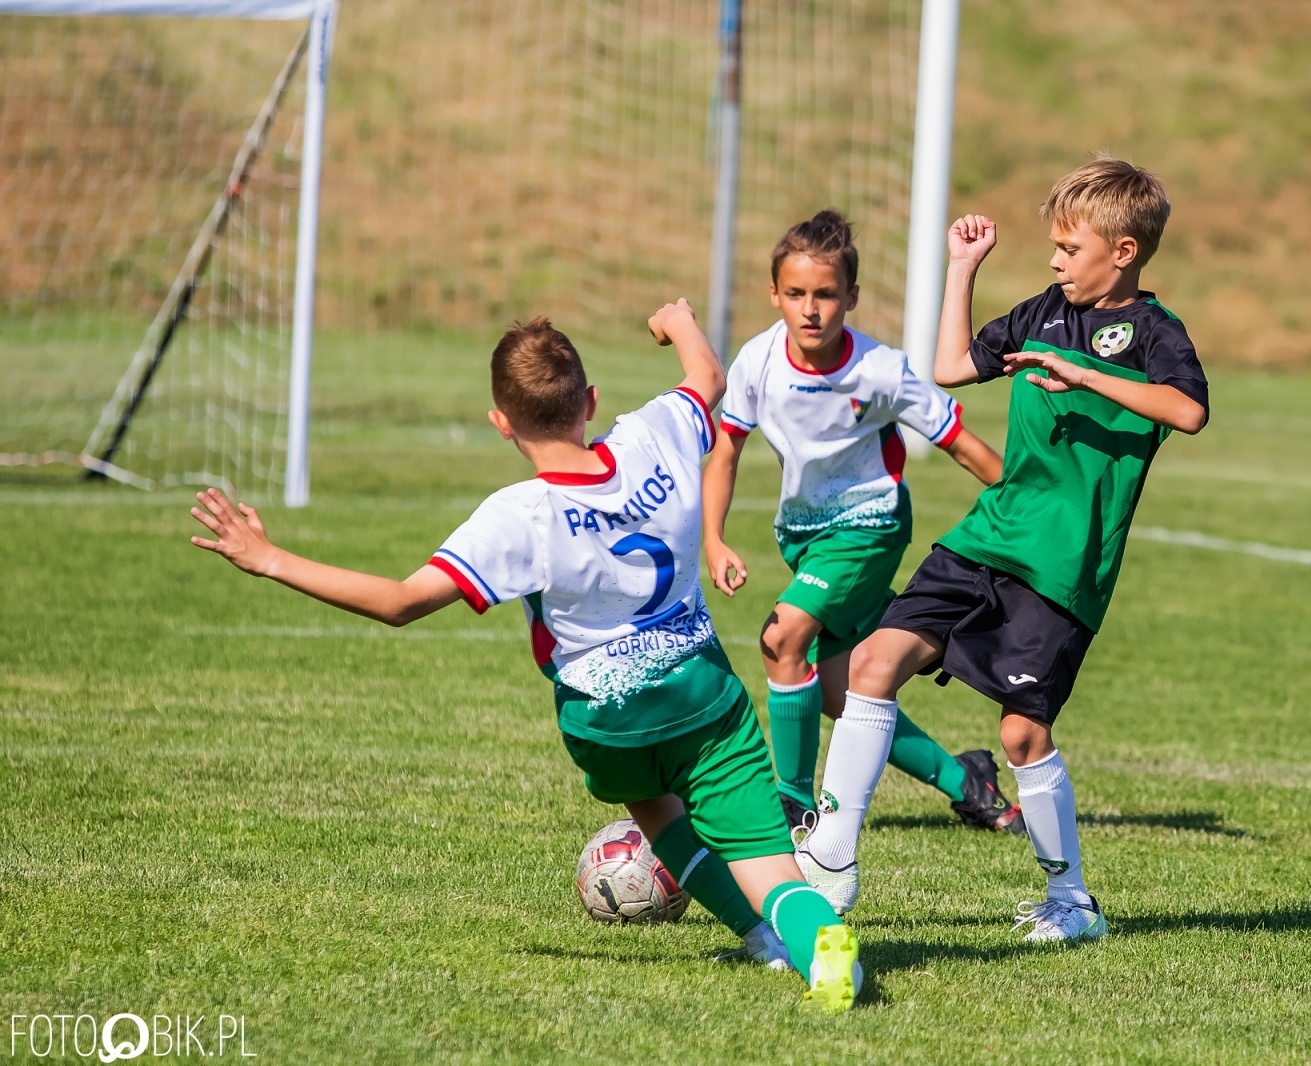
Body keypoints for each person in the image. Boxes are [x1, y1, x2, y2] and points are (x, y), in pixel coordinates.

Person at [187, 302, 863, 1010]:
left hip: (603, 725)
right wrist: (677, 322)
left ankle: (761, 939)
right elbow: (707, 375)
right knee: (770, 864)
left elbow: (398, 600)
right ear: (591, 401)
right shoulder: (653, 434)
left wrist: (267, 558)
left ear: (501, 422)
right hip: (703, 701)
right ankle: (811, 938)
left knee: (654, 804)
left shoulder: (519, 515)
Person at [794, 158, 1210, 938]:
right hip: (987, 534)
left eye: (1070, 248)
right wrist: (961, 271)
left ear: (1123, 251)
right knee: (871, 666)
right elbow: (952, 369)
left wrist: (1083, 377)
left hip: (1060, 566)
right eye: (1052, 246)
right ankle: (833, 862)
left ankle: (1071, 900)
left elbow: (1187, 411)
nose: (1055, 261)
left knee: (1021, 733)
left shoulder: (1155, 333)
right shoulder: (1044, 310)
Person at [701, 210, 1023, 848]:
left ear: (851, 296)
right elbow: (727, 450)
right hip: (803, 535)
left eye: (825, 294)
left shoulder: (880, 370)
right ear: (774, 296)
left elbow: (960, 443)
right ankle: (967, 783)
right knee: (837, 689)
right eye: (795, 294)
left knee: (781, 639)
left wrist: (1025, 498)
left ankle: (792, 807)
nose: (810, 309)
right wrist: (713, 538)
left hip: (869, 527)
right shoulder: (757, 360)